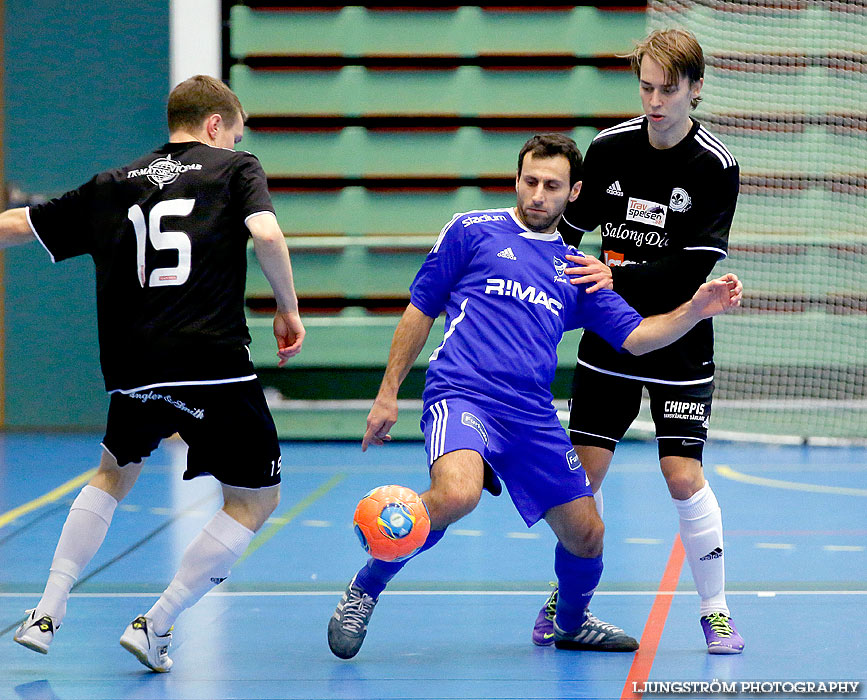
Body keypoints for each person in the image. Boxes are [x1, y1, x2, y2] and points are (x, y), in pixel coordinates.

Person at [326, 133, 742, 660]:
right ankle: (366, 587)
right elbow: (420, 309)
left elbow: (637, 339)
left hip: (530, 414)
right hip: (464, 393)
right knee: (457, 494)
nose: (538, 195)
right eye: (530, 182)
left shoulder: (577, 271)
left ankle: (570, 622)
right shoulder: (472, 230)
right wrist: (388, 394)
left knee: (588, 535)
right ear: (516, 181)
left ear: (575, 193)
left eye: (552, 185)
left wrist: (695, 310)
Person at [0, 75, 305, 672]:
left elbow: (18, 224)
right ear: (217, 126)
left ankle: (45, 610)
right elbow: (266, 231)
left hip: (134, 364)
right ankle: (156, 622)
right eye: (234, 132)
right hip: (213, 361)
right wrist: (288, 308)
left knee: (115, 472)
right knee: (254, 499)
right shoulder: (235, 167)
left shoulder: (112, 184)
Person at [531, 29, 745, 654]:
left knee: (682, 474)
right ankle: (568, 604)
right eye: (646, 87)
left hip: (678, 334)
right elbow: (564, 239)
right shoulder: (609, 149)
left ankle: (716, 609)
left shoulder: (715, 167)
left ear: (695, 90)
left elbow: (689, 269)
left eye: (668, 89)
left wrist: (616, 273)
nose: (654, 100)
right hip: (610, 336)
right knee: (582, 480)